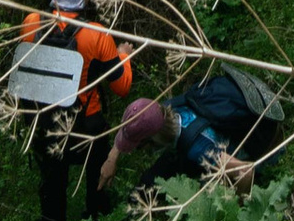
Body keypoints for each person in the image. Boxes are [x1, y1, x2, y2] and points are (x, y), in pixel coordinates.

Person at [14, 0, 134, 221]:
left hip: (44, 125)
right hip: (85, 130)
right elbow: (122, 87)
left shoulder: (32, 22)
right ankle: (97, 219)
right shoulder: (97, 35)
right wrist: (124, 56)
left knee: (52, 188)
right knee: (97, 174)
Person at [109, 65, 281, 199]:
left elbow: (244, 172)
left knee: (205, 188)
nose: (142, 149)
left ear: (154, 139)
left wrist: (238, 208)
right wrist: (112, 158)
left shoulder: (199, 148)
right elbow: (138, 122)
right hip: (219, 127)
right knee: (150, 180)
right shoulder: (165, 110)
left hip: (261, 145)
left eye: (141, 146)